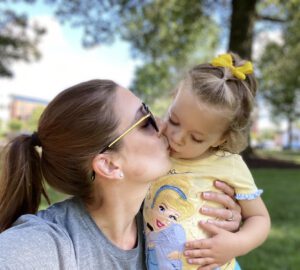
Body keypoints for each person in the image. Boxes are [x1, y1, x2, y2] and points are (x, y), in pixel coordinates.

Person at [0, 79, 241, 269]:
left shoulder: (166, 216)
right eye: (145, 122)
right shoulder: (49, 244)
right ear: (109, 165)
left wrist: (224, 235)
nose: (163, 124)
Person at [143, 53, 271, 270]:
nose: (177, 137)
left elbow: (259, 218)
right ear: (173, 98)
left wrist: (236, 244)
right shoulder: (155, 149)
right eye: (174, 120)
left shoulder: (228, 165)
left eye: (196, 137)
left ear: (221, 138)